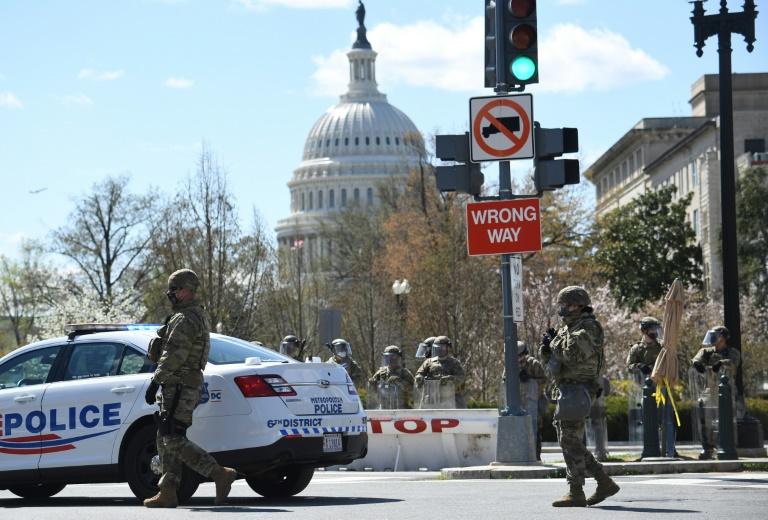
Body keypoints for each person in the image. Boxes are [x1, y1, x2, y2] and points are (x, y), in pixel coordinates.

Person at [144, 269, 238, 508]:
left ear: (186, 290)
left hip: (180, 385)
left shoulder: (186, 318)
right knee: (165, 435)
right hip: (179, 384)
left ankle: (219, 473)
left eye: (174, 289)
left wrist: (155, 380)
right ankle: (168, 490)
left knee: (172, 438)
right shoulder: (190, 315)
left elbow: (175, 354)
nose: (170, 294)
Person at [538, 286, 620, 507]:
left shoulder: (589, 328)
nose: (562, 309)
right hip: (567, 389)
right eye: (561, 305)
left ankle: (580, 489)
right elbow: (553, 365)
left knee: (569, 439)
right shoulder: (568, 329)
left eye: (566, 304)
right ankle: (602, 482)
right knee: (567, 438)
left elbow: (571, 355)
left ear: (578, 305)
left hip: (579, 388)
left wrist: (554, 344)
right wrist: (546, 348)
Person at [691, 325, 741, 460]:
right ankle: (708, 448)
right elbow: (696, 359)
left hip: (726, 390)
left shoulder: (732, 352)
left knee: (726, 421)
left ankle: (726, 447)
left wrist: (721, 363)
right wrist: (697, 364)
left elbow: (733, 363)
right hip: (709, 390)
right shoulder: (706, 351)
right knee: (705, 421)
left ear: (723, 337)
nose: (713, 339)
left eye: (716, 336)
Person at [415, 336, 466, 407]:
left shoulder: (454, 363)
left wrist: (449, 379)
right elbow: (419, 374)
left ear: (448, 348)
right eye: (437, 348)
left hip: (449, 398)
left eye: (442, 348)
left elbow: (461, 378)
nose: (440, 350)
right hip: (431, 398)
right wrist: (420, 378)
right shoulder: (429, 362)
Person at [517, 341, 547, 460]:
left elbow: (543, 381)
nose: (519, 359)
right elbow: (505, 381)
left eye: (521, 356)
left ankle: (535, 456)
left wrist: (530, 381)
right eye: (517, 356)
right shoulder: (511, 365)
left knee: (535, 429)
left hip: (534, 402)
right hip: (519, 402)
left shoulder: (534, 364)